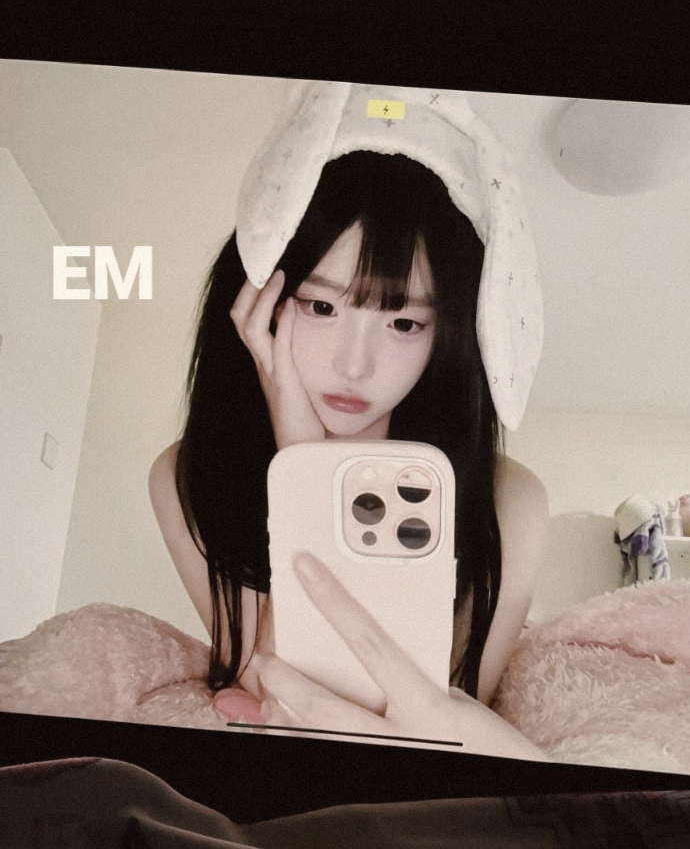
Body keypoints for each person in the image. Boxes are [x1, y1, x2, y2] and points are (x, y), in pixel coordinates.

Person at [150, 105, 548, 757]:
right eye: (320, 305)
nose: (354, 365)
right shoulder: (184, 477)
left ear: (446, 337)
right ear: (257, 304)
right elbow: (280, 690)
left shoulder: (511, 501)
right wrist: (304, 464)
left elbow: (429, 720)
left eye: (403, 323)